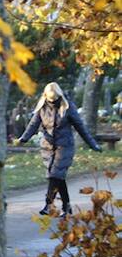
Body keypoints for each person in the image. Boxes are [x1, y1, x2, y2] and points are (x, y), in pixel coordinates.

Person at [18, 81, 103, 215]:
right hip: (47, 147)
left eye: (54, 99)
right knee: (58, 178)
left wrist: (93, 144)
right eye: (49, 99)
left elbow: (80, 127)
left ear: (59, 96)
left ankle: (48, 205)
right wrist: (23, 138)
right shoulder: (42, 107)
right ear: (45, 96)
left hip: (65, 146)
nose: (52, 101)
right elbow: (33, 125)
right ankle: (66, 207)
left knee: (54, 175)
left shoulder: (68, 107)